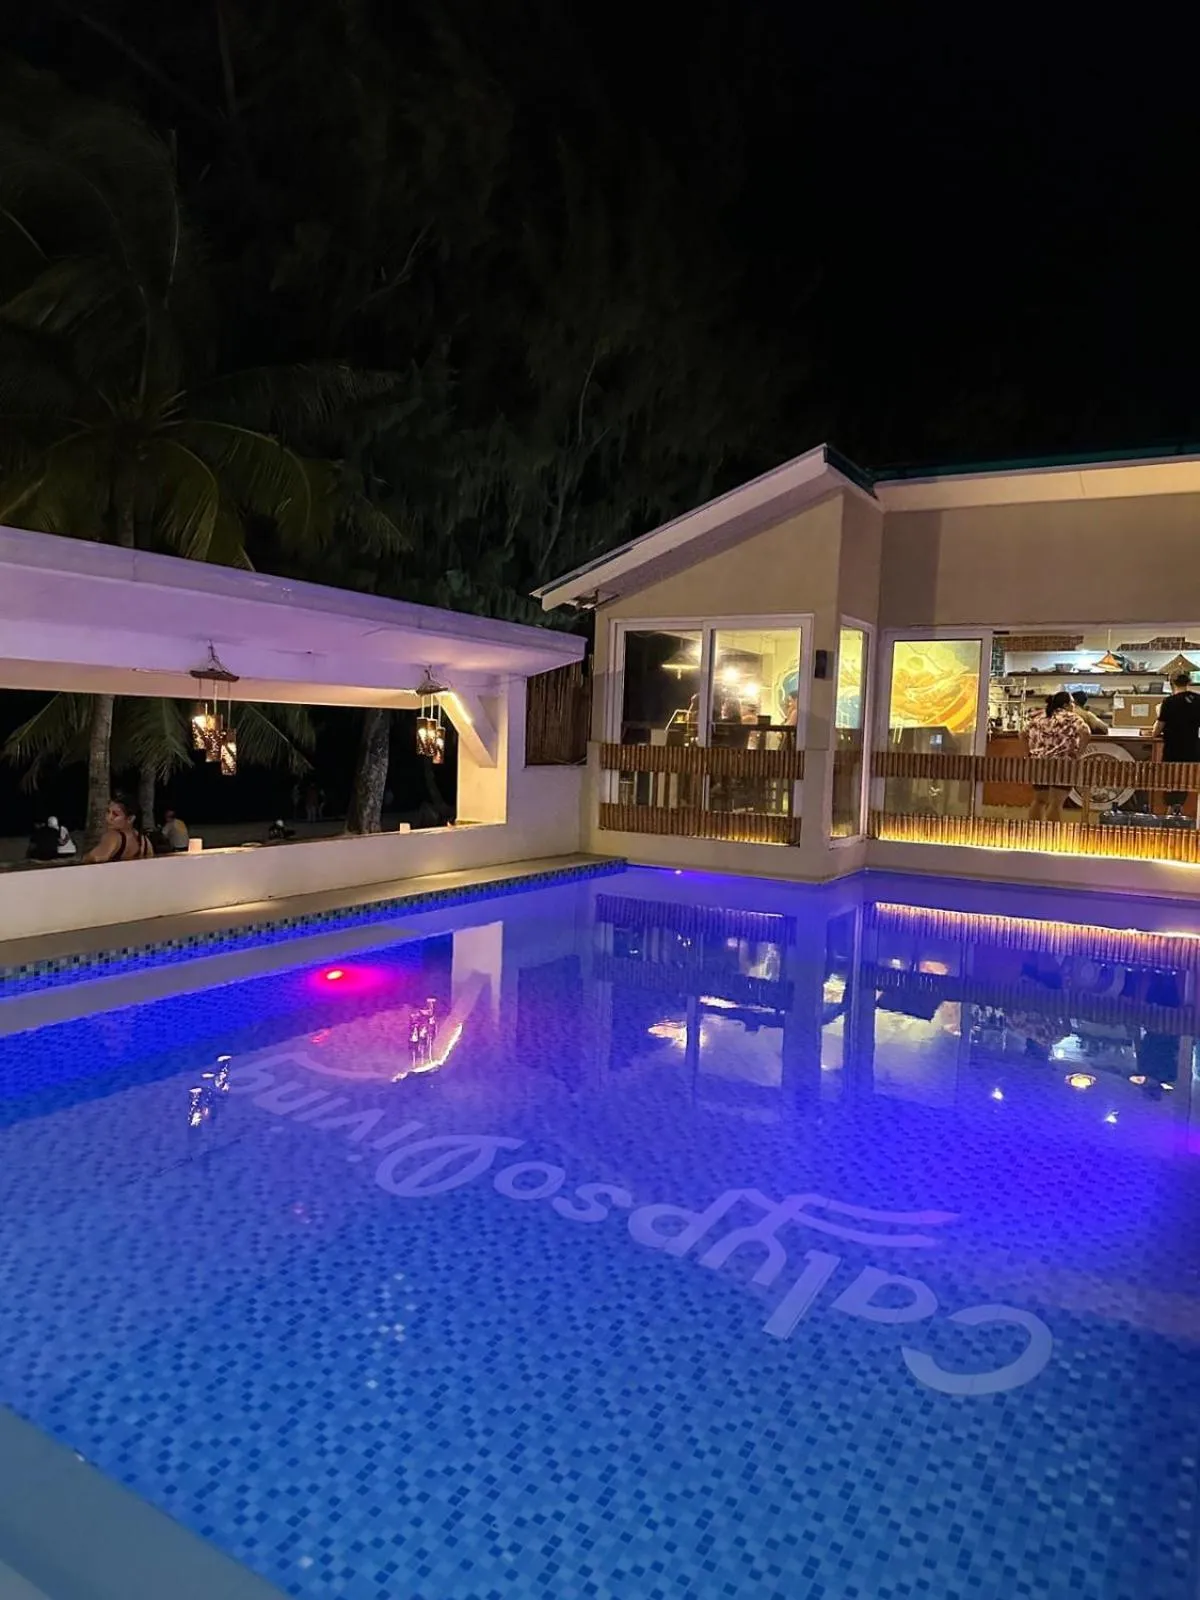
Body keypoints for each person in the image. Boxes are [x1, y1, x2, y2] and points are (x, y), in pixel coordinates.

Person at [1026, 691, 1088, 822]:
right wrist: (1079, 754)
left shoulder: (1039, 717)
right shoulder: (1072, 717)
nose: (1074, 705)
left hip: (1038, 763)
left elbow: (1021, 734)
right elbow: (1086, 732)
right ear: (1066, 705)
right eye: (1072, 703)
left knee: (1039, 800)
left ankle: (1031, 835)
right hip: (1062, 763)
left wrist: (1028, 753)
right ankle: (1052, 839)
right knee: (1056, 803)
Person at [1152, 670, 1200, 818]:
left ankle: (1171, 813)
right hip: (1193, 749)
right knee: (1190, 781)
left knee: (1172, 779)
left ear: (1172, 683)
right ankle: (1189, 815)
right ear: (1189, 682)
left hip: (1173, 749)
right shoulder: (1198, 700)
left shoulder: (1168, 702)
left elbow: (1157, 729)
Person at [81, 795, 153, 864]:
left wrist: (86, 858)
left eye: (115, 814)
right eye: (108, 812)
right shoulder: (145, 842)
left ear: (130, 819)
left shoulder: (113, 837)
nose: (109, 818)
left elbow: (95, 858)